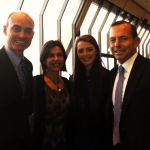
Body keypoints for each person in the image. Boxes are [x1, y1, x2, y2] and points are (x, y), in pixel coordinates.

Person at [106, 20, 150, 150]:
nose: (117, 45)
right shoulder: (111, 75)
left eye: (123, 39)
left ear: (137, 42)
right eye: (112, 40)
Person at [68, 34, 110, 150]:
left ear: (96, 51)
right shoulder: (73, 79)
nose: (85, 54)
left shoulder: (108, 77)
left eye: (89, 49)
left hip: (101, 139)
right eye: (81, 51)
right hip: (79, 139)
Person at [0, 11, 34, 150]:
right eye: (16, 28)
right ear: (4, 30)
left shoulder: (28, 65)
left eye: (28, 31)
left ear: (33, 35)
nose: (22, 35)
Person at [32, 40, 70, 150]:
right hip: (42, 144)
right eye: (51, 56)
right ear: (44, 60)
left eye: (59, 55)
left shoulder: (68, 84)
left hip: (65, 143)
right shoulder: (36, 83)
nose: (56, 59)